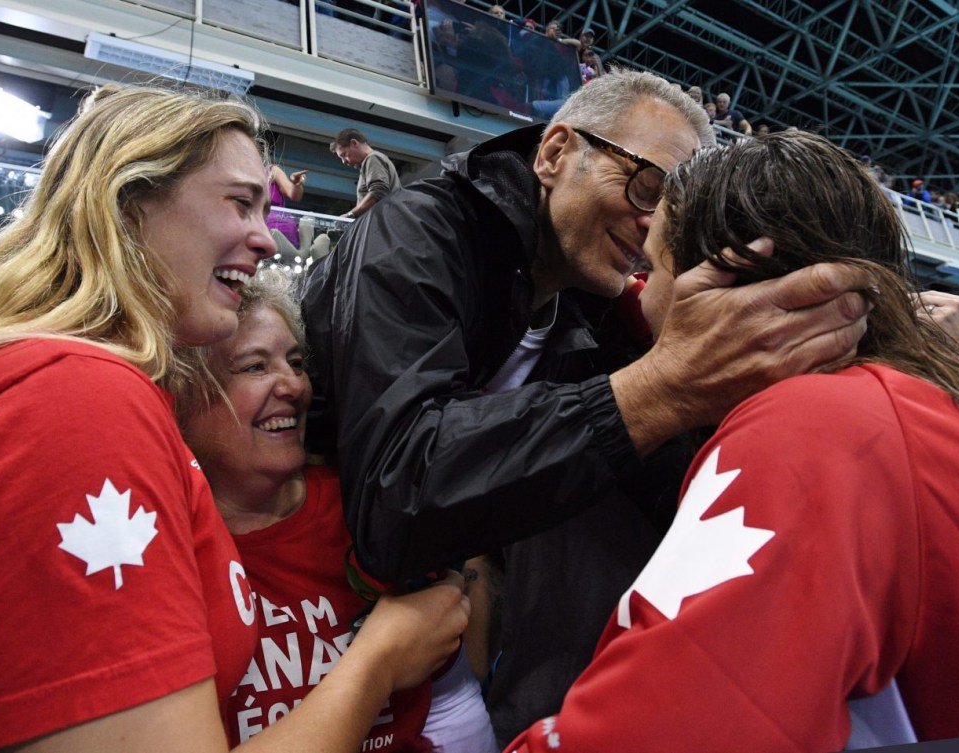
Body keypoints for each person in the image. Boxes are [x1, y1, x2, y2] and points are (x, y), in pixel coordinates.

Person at [302, 68, 873, 744]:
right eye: (644, 185)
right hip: (308, 607)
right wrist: (662, 386)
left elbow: (665, 483)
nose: (651, 224)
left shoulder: (594, 299)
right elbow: (394, 499)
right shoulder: (419, 230)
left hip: (433, 632)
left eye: (673, 215)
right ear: (553, 154)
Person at [0, 82, 468, 753]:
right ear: (128, 202)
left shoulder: (83, 389)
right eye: (241, 203)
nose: (267, 239)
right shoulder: (77, 401)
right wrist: (377, 660)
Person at [506, 130, 959, 753]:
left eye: (654, 264)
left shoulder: (817, 429)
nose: (641, 298)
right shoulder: (953, 396)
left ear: (727, 285)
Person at [177, 268, 496, 752]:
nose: (293, 386)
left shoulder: (366, 502)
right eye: (254, 367)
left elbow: (465, 583)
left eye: (297, 362)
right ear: (182, 397)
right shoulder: (166, 548)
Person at [330, 128, 402, 220]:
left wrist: (350, 215)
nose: (344, 162)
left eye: (344, 155)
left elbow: (378, 192)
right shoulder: (371, 161)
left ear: (354, 143)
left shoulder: (373, 158)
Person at [266, 163, 309, 256]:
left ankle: (300, 256)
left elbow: (294, 195)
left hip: (284, 230)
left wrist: (296, 184)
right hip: (260, 233)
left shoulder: (271, 170)